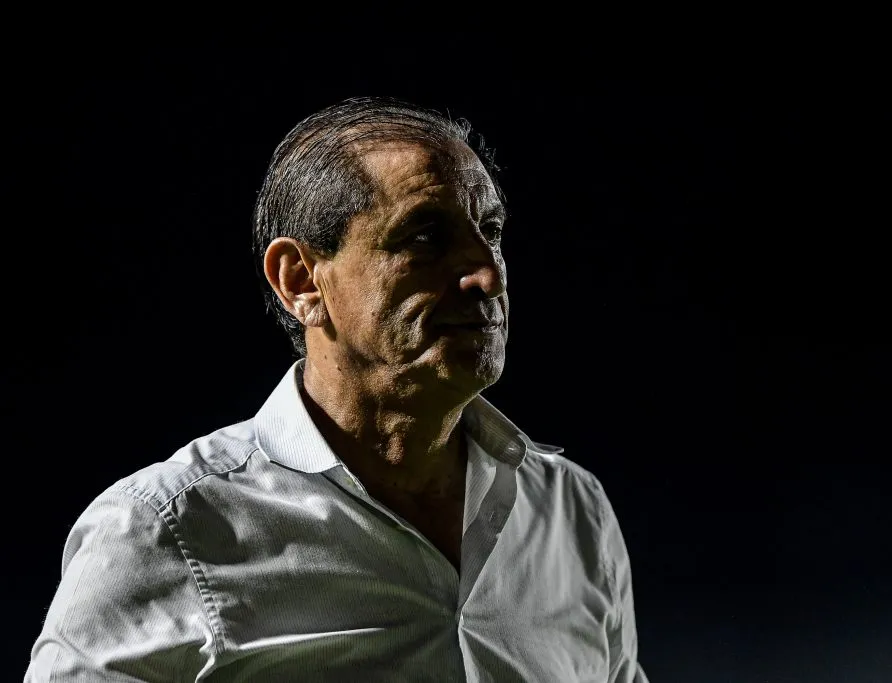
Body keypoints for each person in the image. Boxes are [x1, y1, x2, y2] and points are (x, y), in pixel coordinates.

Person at [25, 96, 648, 682]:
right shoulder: (166, 529)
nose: (485, 274)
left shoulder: (574, 512)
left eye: (490, 230)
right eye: (425, 238)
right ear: (300, 280)